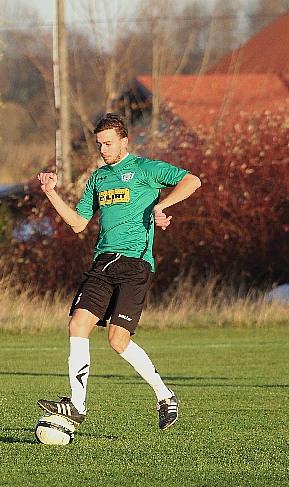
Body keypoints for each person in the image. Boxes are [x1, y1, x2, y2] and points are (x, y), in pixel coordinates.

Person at [36, 113, 202, 430]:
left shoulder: (145, 169)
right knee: (77, 324)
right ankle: (76, 405)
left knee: (117, 340)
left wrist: (162, 205)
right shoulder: (98, 179)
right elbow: (78, 224)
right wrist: (51, 193)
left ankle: (165, 396)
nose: (104, 149)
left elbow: (192, 180)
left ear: (125, 141)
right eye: (99, 144)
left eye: (109, 143)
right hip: (103, 263)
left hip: (134, 264)